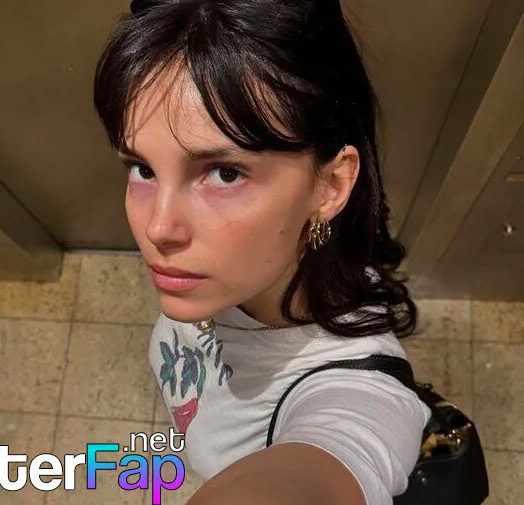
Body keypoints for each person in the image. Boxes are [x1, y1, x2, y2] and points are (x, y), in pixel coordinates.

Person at [93, 1, 431, 504]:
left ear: (331, 185)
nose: (158, 229)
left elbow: (332, 460)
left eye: (225, 173)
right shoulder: (219, 279)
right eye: (142, 169)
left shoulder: (354, 393)